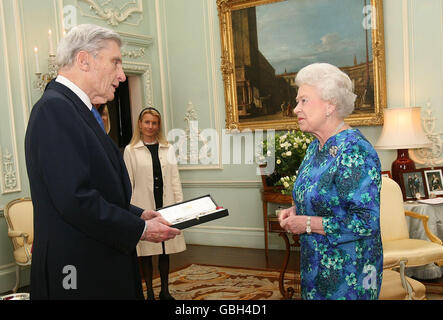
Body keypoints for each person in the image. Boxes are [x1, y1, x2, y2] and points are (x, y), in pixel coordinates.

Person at [24, 24, 180, 300]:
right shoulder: (55, 109)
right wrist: (140, 229)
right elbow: (75, 199)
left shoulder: (76, 109)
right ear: (84, 60)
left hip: (96, 261)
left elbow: (95, 187)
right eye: (116, 62)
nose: (121, 75)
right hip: (77, 272)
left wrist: (136, 214)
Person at [278, 63, 383, 300]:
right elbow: (326, 198)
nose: (296, 109)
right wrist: (296, 211)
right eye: (298, 101)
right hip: (316, 268)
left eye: (304, 101)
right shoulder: (316, 146)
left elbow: (367, 222)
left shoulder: (355, 151)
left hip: (350, 275)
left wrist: (307, 224)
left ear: (330, 105)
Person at [124, 107, 186, 300]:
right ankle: (149, 292)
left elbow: (175, 178)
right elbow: (128, 184)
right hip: (143, 206)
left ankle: (165, 291)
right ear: (140, 125)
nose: (150, 126)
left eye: (154, 123)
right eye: (147, 122)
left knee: (165, 249)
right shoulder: (131, 150)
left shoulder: (168, 148)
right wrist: (133, 212)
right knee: (146, 252)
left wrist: (180, 205)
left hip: (166, 204)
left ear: (159, 126)